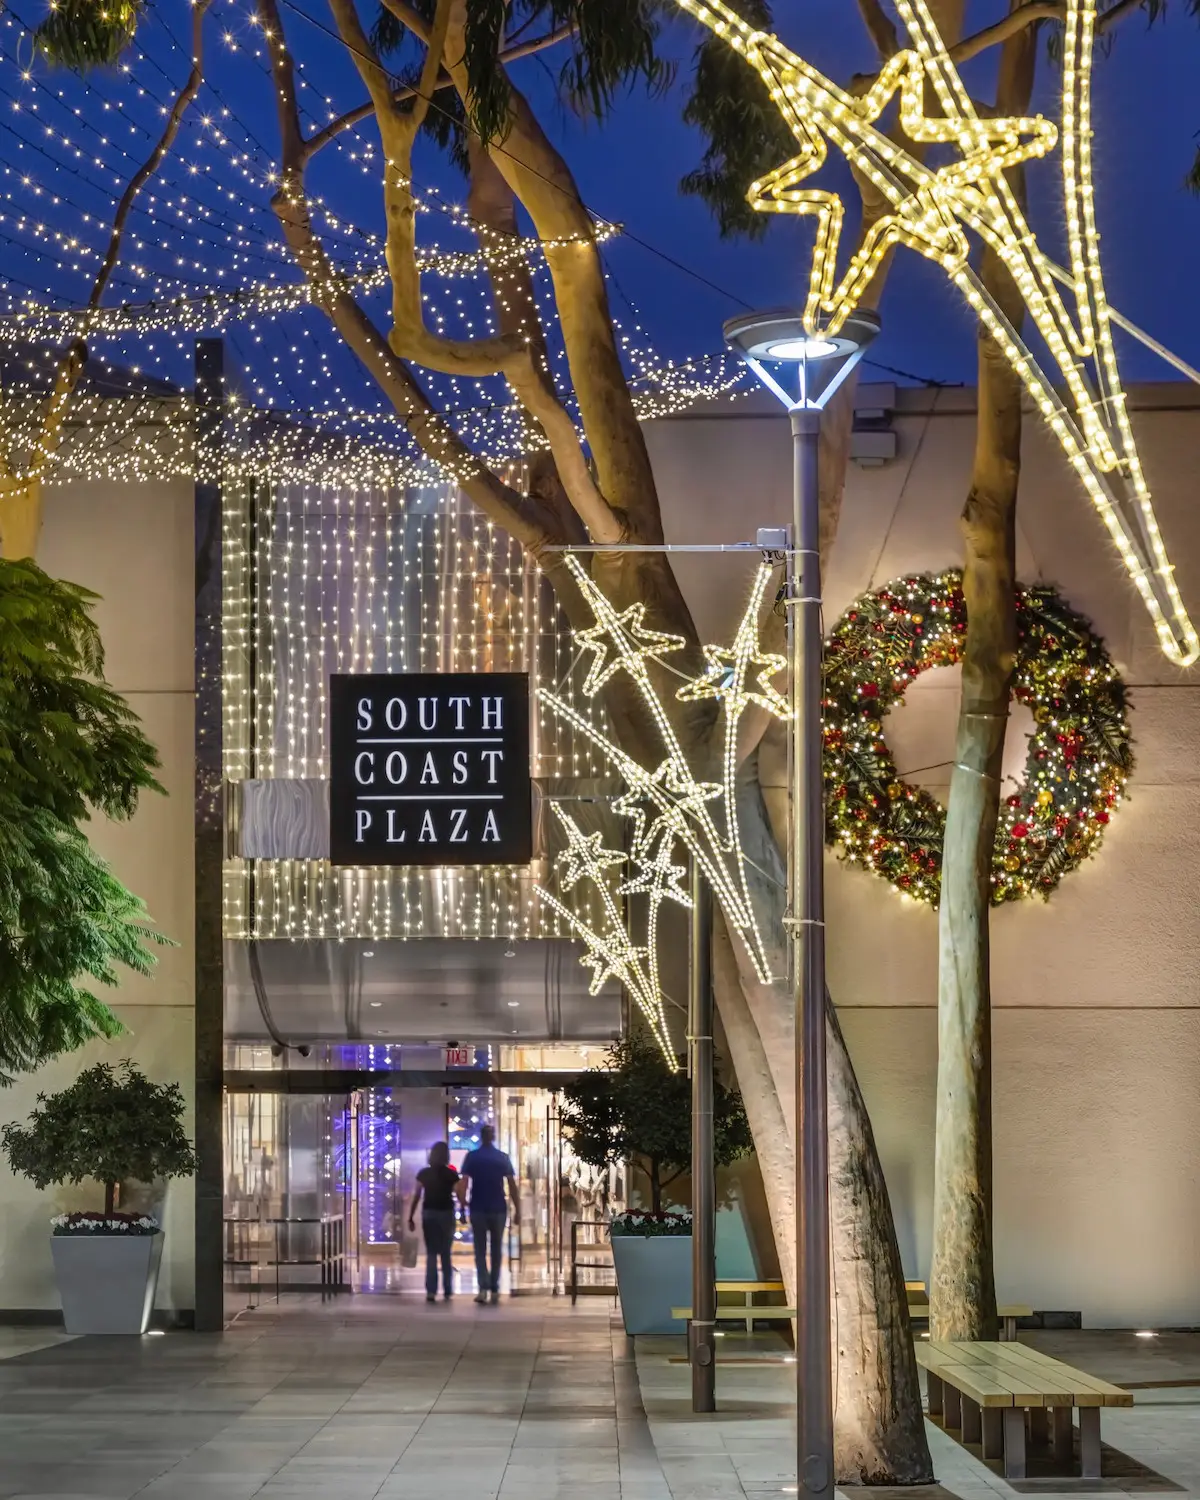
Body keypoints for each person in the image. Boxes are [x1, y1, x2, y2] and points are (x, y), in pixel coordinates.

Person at [457, 1124, 519, 1304]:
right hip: (498, 1207)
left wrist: (462, 1207)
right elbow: (512, 1185)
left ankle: (483, 1288)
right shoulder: (502, 1158)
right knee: (497, 1248)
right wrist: (518, 1209)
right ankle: (495, 1288)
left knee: (480, 1249)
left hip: (478, 1207)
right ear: (493, 1137)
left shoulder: (472, 1157)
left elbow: (464, 1184)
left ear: (481, 1136)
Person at [407, 1141, 460, 1302]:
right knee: (445, 1253)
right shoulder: (451, 1174)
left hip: (429, 1213)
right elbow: (458, 1194)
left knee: (431, 1253)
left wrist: (410, 1216)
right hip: (447, 1213)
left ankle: (431, 1291)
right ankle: (448, 1290)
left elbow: (416, 1195)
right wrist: (463, 1209)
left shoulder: (424, 1174)